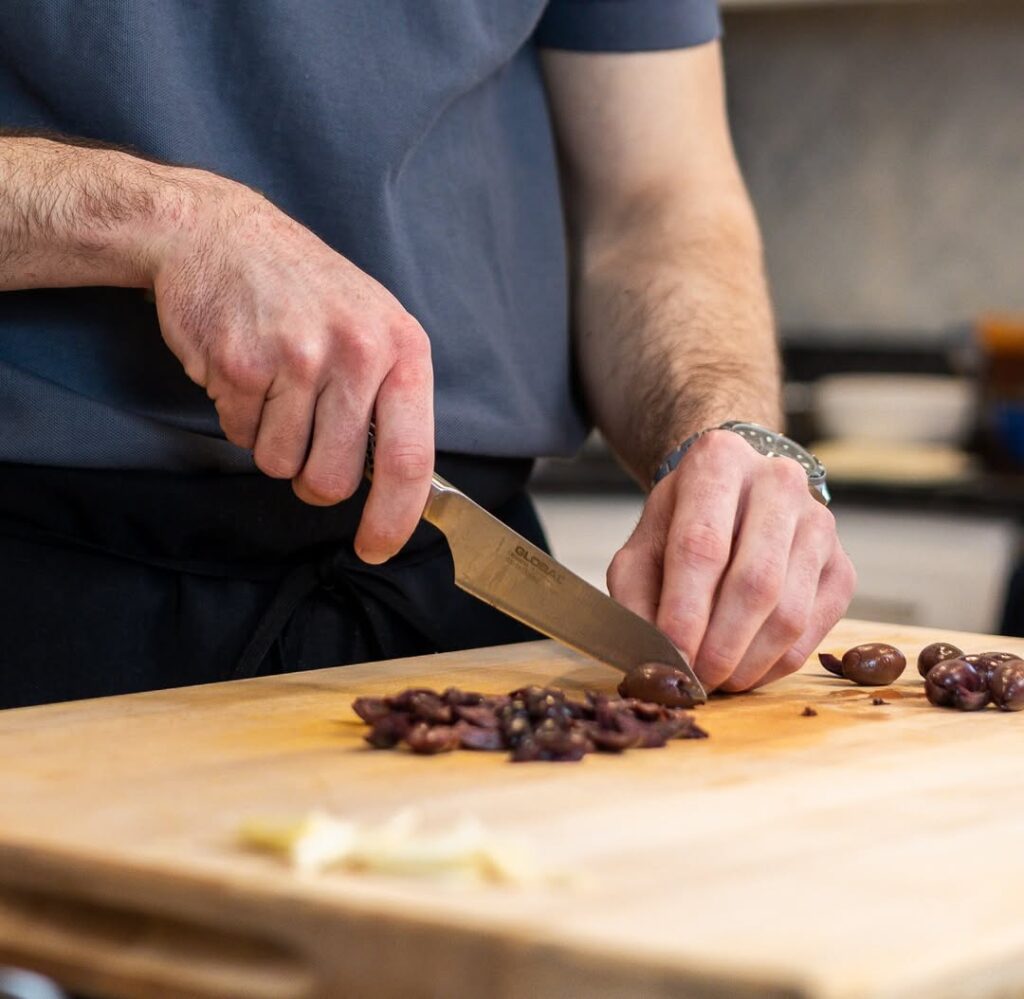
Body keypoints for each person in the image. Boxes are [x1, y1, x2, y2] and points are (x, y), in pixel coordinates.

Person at [0, 1, 855, 710]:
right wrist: (159, 219)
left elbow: (656, 204)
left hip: (455, 604)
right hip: (46, 599)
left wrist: (730, 432)